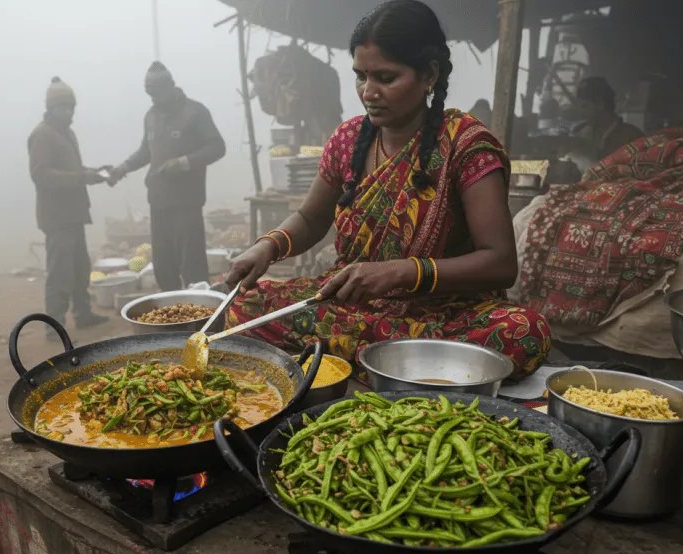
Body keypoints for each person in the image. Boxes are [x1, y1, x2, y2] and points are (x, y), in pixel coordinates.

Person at [224, 0, 551, 380]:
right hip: (355, 305)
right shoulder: (347, 141)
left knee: (524, 333)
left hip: (446, 313)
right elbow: (311, 218)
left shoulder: (466, 144)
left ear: (429, 74)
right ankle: (395, 364)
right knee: (245, 304)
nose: (368, 92)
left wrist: (400, 273)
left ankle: (349, 357)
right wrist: (268, 246)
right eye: (361, 76)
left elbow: (500, 264)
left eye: (386, 77)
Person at [108, 62, 226, 292]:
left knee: (191, 264)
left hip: (186, 202)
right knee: (163, 264)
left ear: (171, 87)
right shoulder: (151, 116)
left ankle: (201, 317)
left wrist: (183, 163)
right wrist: (122, 167)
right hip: (158, 201)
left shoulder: (194, 112)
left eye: (156, 93)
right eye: (149, 94)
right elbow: (146, 151)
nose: (153, 99)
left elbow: (217, 147)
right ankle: (171, 314)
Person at [28, 77, 109, 337]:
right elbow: (41, 175)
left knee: (79, 267)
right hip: (57, 216)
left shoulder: (66, 133)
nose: (68, 112)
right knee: (60, 272)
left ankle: (82, 314)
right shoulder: (42, 135)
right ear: (50, 108)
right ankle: (53, 326)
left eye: (70, 107)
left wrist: (93, 173)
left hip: (73, 214)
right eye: (62, 107)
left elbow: (72, 171)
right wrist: (80, 177)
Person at [571, 77, 645, 160]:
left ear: (600, 103)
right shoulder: (579, 132)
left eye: (584, 106)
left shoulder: (633, 138)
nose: (581, 113)